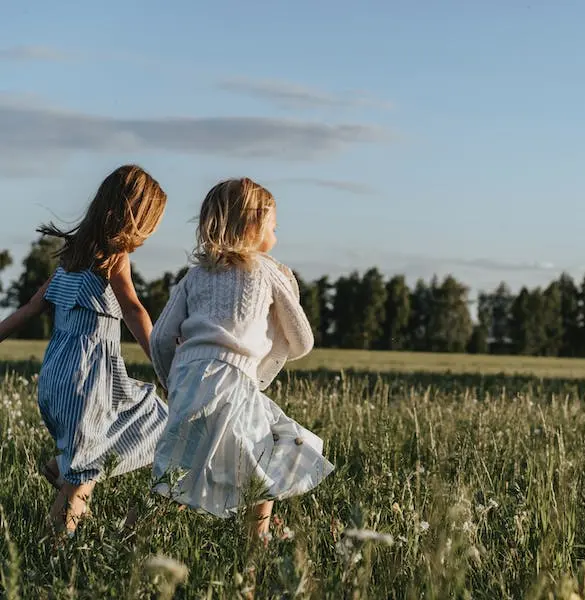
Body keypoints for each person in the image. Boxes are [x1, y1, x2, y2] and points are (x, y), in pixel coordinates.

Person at [149, 177, 334, 544]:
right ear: (253, 227)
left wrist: (175, 384)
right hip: (234, 381)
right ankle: (257, 542)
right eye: (273, 227)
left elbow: (159, 338)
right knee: (272, 454)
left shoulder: (194, 276)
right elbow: (303, 340)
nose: (276, 237)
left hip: (189, 381)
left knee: (177, 474)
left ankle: (138, 539)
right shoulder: (267, 270)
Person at [0, 165, 170, 535]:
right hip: (89, 379)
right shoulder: (115, 259)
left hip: (56, 377)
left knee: (141, 413)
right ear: (136, 218)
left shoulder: (70, 258)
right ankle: (54, 549)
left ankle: (62, 468)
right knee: (93, 465)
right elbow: (132, 309)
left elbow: (30, 309)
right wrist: (163, 364)